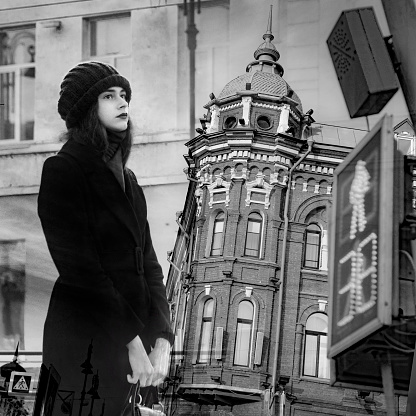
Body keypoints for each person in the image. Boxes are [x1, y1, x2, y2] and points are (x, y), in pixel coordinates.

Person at [38, 61, 174, 415]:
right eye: (109, 96)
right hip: (83, 344)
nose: (122, 102)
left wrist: (162, 339)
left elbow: (150, 265)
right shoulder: (63, 170)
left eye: (124, 95)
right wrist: (133, 343)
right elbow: (81, 270)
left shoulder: (129, 181)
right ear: (87, 109)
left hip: (133, 351)